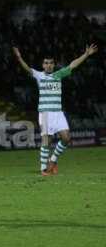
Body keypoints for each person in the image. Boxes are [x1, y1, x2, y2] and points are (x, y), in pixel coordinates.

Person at [13, 44, 98, 175]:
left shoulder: (59, 74)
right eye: (46, 63)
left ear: (54, 64)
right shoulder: (39, 75)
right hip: (45, 114)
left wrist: (86, 55)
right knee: (47, 140)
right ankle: (43, 169)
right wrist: (19, 58)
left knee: (66, 138)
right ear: (43, 65)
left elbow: (72, 65)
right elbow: (27, 69)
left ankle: (52, 160)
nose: (48, 65)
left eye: (51, 63)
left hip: (58, 113)